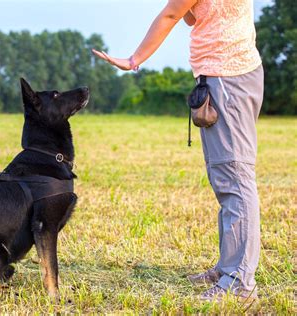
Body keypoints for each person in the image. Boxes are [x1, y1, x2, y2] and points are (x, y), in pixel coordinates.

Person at [93, 0, 263, 303]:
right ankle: (228, 268)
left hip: (227, 79)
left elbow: (171, 14)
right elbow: (189, 17)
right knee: (225, 178)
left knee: (235, 179)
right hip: (227, 76)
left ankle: (239, 281)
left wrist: (134, 60)